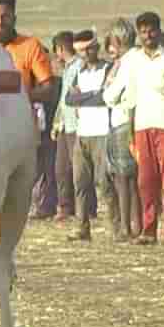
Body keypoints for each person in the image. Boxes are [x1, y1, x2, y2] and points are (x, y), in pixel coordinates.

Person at [109, 12, 164, 245]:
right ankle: (149, 229)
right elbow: (119, 91)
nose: (147, 35)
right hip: (141, 125)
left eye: (151, 30)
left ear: (159, 30)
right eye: (143, 31)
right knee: (146, 181)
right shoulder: (133, 59)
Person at [0, 0, 58, 218]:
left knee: (15, 191)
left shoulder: (30, 46)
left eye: (5, 16)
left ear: (14, 17)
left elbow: (48, 87)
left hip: (18, 129)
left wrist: (17, 97)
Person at [62, 30, 114, 241]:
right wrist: (92, 95)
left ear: (95, 47)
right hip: (82, 133)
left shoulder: (108, 69)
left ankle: (115, 226)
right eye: (79, 51)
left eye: (86, 49)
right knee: (80, 183)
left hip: (102, 132)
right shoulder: (79, 72)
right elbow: (69, 99)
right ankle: (82, 227)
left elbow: (105, 98)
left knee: (105, 183)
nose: (83, 54)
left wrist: (86, 97)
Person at [101, 19, 142, 241]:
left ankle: (127, 227)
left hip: (122, 120)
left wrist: (107, 89)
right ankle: (137, 224)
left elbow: (110, 95)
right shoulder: (139, 56)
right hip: (135, 119)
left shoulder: (126, 61)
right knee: (133, 178)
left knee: (122, 177)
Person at [49, 31, 79, 221]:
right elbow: (62, 101)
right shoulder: (67, 69)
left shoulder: (78, 67)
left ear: (60, 49)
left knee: (77, 169)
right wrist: (56, 123)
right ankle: (65, 207)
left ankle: (83, 208)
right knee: (61, 168)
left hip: (76, 125)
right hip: (64, 125)